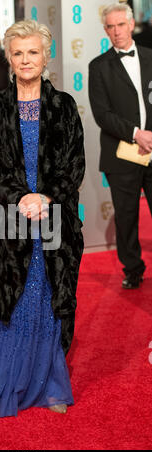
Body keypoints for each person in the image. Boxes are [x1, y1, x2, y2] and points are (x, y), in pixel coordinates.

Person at [0, 20, 85, 419]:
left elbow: (75, 165)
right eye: (18, 53)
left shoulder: (63, 105)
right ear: (8, 59)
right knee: (6, 298)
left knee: (47, 294)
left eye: (33, 52)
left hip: (53, 216)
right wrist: (20, 198)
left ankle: (50, 386)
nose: (26, 60)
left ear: (46, 57)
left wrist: (46, 197)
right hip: (8, 217)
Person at [88, 2, 152, 289]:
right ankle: (133, 269)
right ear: (105, 31)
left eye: (121, 25)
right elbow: (102, 114)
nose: (116, 31)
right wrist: (137, 134)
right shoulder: (98, 66)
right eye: (110, 27)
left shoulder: (151, 57)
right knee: (126, 217)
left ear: (132, 25)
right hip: (122, 154)